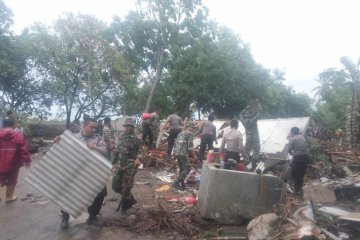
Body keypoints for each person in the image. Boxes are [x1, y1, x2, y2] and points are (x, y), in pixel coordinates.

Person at [56, 118, 108, 229]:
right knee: (67, 193)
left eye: (95, 128)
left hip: (92, 172)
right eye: (91, 127)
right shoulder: (74, 137)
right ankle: (65, 218)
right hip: (75, 171)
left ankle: (92, 217)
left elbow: (105, 152)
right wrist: (58, 141)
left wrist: (96, 147)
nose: (94, 129)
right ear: (84, 126)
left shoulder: (99, 139)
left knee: (100, 193)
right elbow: (62, 149)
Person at [112, 118, 142, 214]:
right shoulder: (121, 136)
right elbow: (117, 150)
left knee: (126, 187)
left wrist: (139, 158)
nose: (127, 128)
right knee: (115, 185)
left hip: (130, 166)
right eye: (126, 126)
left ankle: (124, 207)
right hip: (120, 165)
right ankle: (131, 199)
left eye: (129, 126)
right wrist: (113, 161)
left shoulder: (136, 139)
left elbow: (142, 150)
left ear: (133, 127)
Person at [0, 119, 31, 203]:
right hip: (13, 163)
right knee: (12, 179)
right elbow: (24, 150)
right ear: (13, 126)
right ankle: (9, 197)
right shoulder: (18, 136)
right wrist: (27, 161)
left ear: (3, 126)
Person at [172, 123, 197, 191]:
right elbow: (190, 147)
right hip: (183, 153)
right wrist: (195, 156)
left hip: (177, 152)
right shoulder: (190, 133)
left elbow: (175, 143)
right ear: (191, 128)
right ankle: (176, 183)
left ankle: (182, 185)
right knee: (187, 168)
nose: (194, 131)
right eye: (193, 129)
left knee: (182, 169)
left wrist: (174, 154)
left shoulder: (180, 133)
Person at [239, 99, 261, 170]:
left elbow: (240, 115)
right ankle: (253, 166)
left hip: (248, 138)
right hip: (255, 138)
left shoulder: (244, 121)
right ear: (251, 115)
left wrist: (245, 109)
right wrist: (258, 107)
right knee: (256, 151)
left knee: (247, 151)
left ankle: (245, 164)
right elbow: (258, 115)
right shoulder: (253, 120)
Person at [288, 127, 310, 195]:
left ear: (292, 132)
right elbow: (305, 147)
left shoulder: (292, 139)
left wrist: (293, 154)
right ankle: (300, 189)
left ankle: (297, 191)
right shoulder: (303, 138)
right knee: (301, 174)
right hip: (305, 157)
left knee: (295, 174)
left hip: (298, 158)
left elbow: (289, 150)